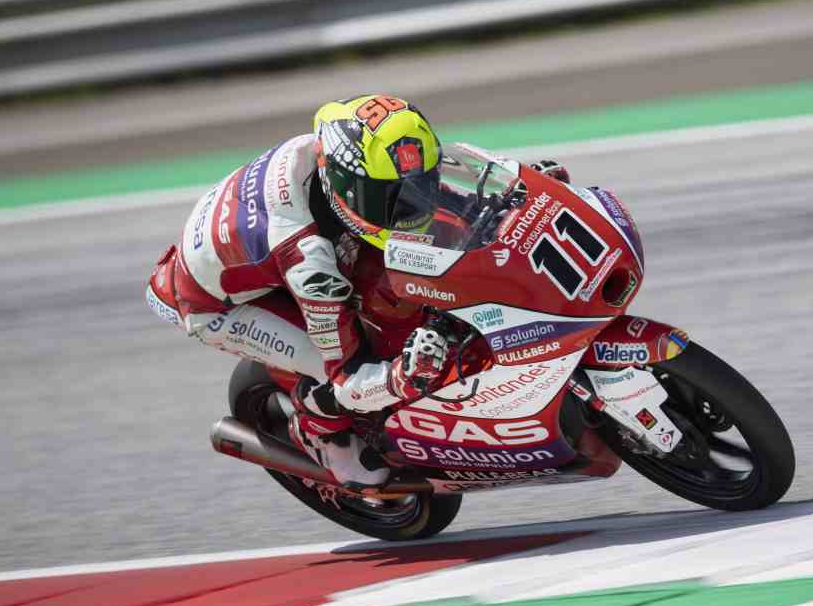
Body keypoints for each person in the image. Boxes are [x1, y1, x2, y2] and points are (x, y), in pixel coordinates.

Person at [145, 94, 568, 489]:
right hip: (218, 305)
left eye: (420, 185)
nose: (414, 205)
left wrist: (519, 198)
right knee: (327, 369)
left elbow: (433, 188)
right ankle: (320, 436)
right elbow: (348, 378)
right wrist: (404, 375)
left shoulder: (347, 162)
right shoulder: (309, 259)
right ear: (347, 188)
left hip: (262, 243)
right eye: (393, 198)